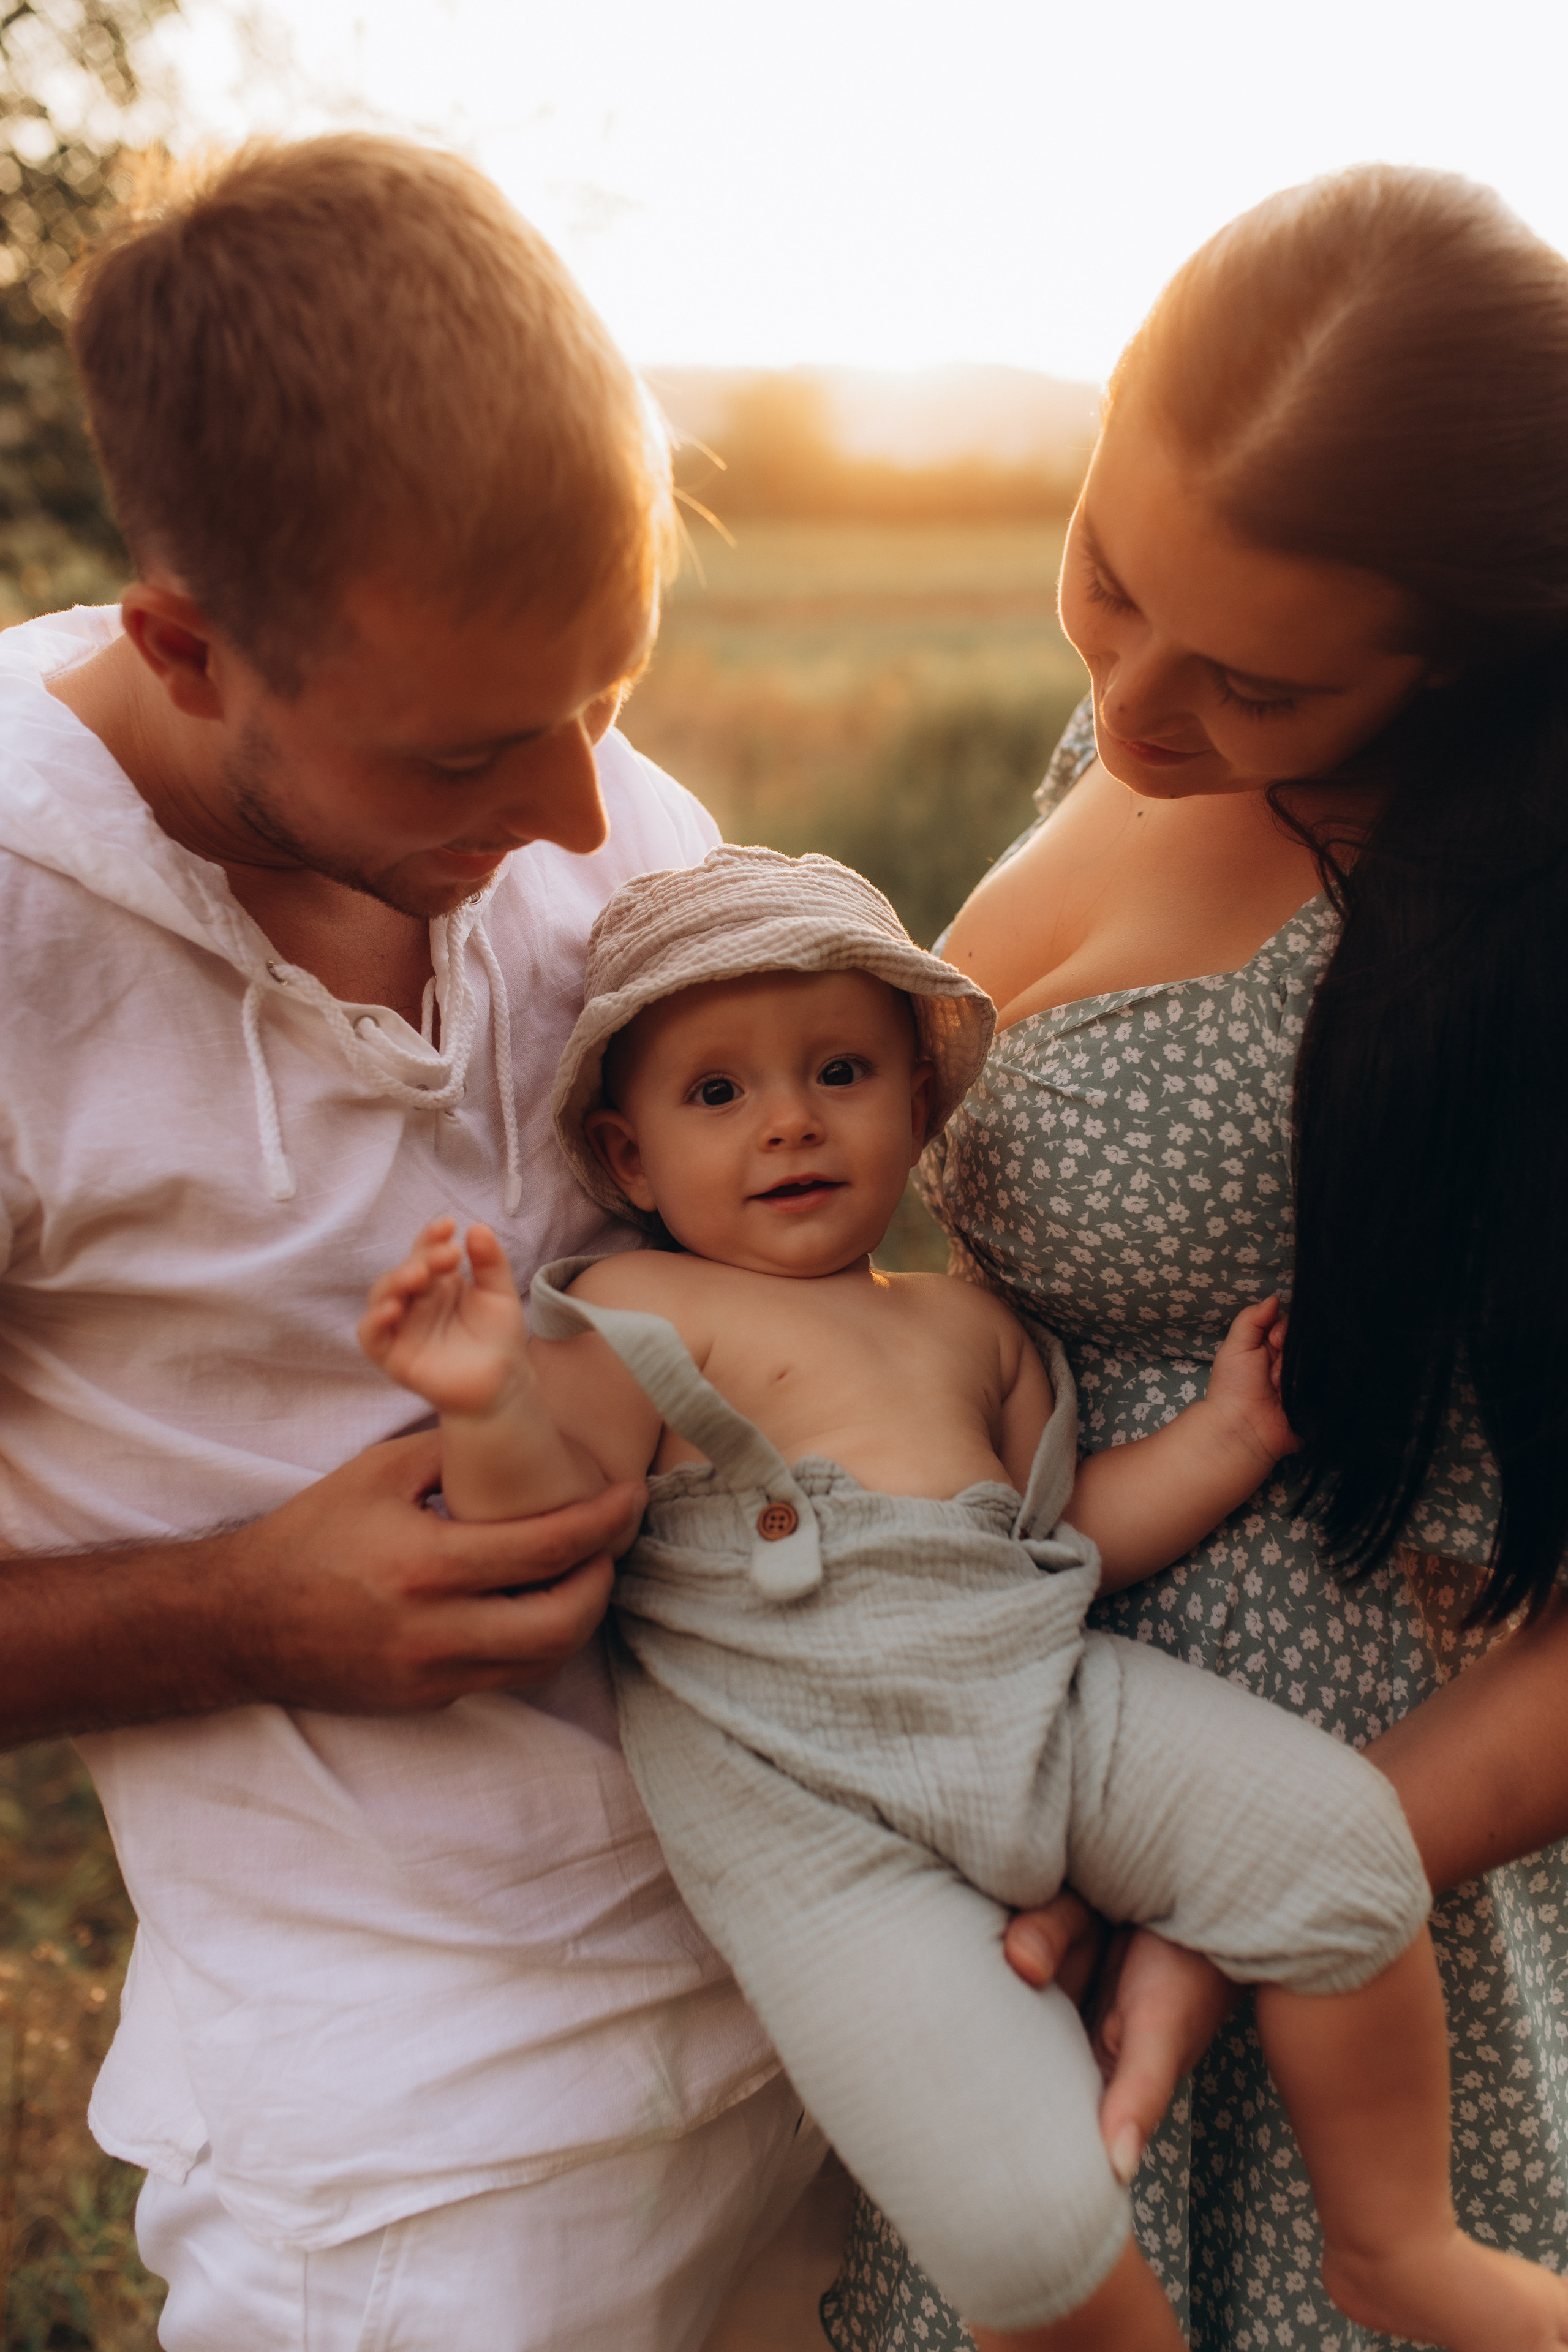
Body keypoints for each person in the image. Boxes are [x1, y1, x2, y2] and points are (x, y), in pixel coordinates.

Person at [0, 137, 826, 2351]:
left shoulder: (599, 814)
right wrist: (239, 1608)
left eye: (615, 696)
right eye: (476, 751)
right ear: (185, 645)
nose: (582, 814)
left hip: (829, 2004)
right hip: (415, 2161)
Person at [359, 842, 1567, 2352]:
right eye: (715, 1095)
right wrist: (484, 1402)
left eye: (842, 1070)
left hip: (1047, 1703)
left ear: (920, 1108)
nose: (789, 1122)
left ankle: (1396, 2242)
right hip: (817, 1813)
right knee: (1020, 2213)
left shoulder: (963, 1323)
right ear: (624, 1160)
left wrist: (1221, 1440)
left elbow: (1067, 1535)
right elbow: (539, 1519)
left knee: (1339, 1854)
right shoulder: (633, 1311)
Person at [823, 164, 1568, 2351]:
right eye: (1106, 576)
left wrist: (1267, 1885)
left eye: (1249, 681)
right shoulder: (1118, 739)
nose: (1137, 701)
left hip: (1344, 1881)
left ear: (1473, 655)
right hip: (1026, 1782)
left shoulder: (1518, 922)